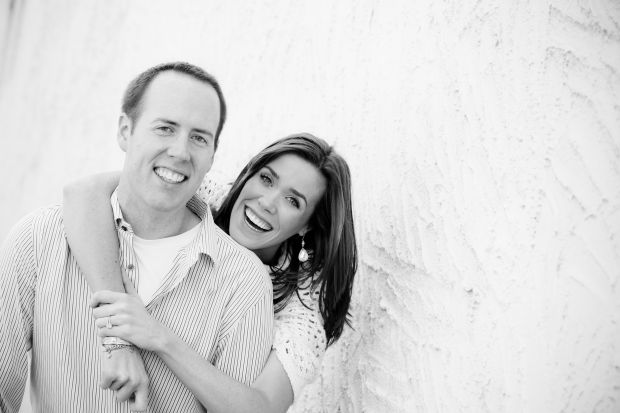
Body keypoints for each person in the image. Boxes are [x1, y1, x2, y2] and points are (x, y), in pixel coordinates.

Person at [0, 62, 274, 412]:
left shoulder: (244, 282)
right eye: (165, 128)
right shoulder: (39, 239)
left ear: (212, 156)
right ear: (125, 131)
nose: (180, 152)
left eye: (199, 137)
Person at [62, 133, 358, 412]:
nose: (267, 203)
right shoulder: (203, 196)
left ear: (308, 225)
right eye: (266, 179)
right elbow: (84, 193)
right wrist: (119, 338)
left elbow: (261, 408)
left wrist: (159, 338)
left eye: (292, 201)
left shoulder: (300, 315)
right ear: (249, 174)